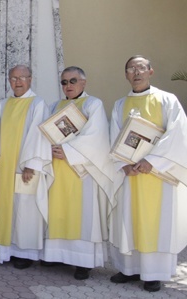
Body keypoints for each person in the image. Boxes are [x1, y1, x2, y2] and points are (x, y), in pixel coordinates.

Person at [108, 55, 187, 292]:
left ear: (151, 71)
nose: (136, 72)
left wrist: (151, 162)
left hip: (158, 176)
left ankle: (154, 274)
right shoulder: (120, 105)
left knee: (156, 222)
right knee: (129, 219)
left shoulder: (167, 100)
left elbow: (177, 135)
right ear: (126, 75)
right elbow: (114, 138)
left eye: (141, 68)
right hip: (130, 176)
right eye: (130, 69)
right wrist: (123, 166)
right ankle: (129, 269)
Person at [41, 66, 112, 280]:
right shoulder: (55, 106)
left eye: (72, 81)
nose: (68, 86)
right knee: (58, 211)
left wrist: (68, 151)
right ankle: (57, 254)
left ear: (83, 83)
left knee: (82, 215)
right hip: (58, 170)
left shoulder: (92, 104)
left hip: (82, 172)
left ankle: (83, 262)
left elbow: (96, 136)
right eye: (64, 82)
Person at [0, 65, 53, 269]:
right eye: (13, 78)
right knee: (6, 206)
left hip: (25, 166)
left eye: (22, 78)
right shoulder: (3, 104)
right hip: (5, 166)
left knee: (25, 208)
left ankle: (25, 252)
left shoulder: (37, 104)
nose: (18, 82)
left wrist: (31, 165)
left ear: (30, 79)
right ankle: (6, 248)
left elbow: (38, 136)